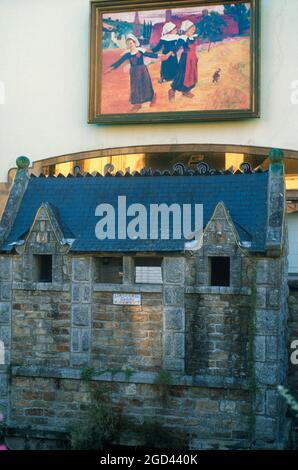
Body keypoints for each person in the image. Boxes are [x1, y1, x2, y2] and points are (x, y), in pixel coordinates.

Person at [105, 34, 170, 111]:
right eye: (128, 43)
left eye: (131, 43)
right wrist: (111, 68)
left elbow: (150, 55)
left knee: (145, 84)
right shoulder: (127, 54)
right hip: (134, 72)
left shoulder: (140, 51)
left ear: (135, 43)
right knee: (135, 87)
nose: (130, 45)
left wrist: (160, 55)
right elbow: (119, 62)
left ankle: (149, 98)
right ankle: (137, 103)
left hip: (142, 70)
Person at [169, 20, 199, 101]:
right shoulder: (183, 38)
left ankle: (186, 91)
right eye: (191, 30)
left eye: (194, 30)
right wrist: (170, 53)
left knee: (190, 75)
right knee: (182, 75)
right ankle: (172, 91)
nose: (193, 31)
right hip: (186, 59)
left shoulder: (192, 37)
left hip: (192, 59)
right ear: (186, 30)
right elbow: (176, 47)